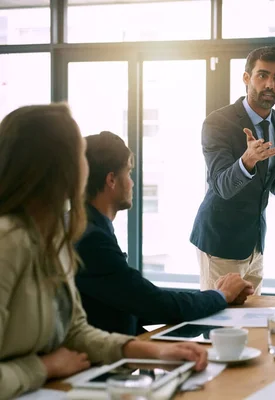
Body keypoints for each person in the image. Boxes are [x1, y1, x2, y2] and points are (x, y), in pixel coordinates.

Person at [0, 104, 208, 399]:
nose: (85, 164)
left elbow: (75, 331)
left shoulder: (54, 236)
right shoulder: (7, 240)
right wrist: (44, 367)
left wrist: (157, 352)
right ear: (56, 167)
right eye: (77, 153)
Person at [75, 131, 254, 336]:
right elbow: (151, 303)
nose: (132, 183)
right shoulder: (91, 239)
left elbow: (139, 302)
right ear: (111, 180)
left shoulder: (86, 227)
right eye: (129, 172)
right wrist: (221, 295)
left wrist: (217, 298)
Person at [190, 46, 275, 294]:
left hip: (255, 245)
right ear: (246, 78)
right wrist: (247, 160)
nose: (270, 84)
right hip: (220, 244)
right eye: (262, 75)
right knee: (221, 324)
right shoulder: (218, 122)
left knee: (252, 321)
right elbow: (221, 185)